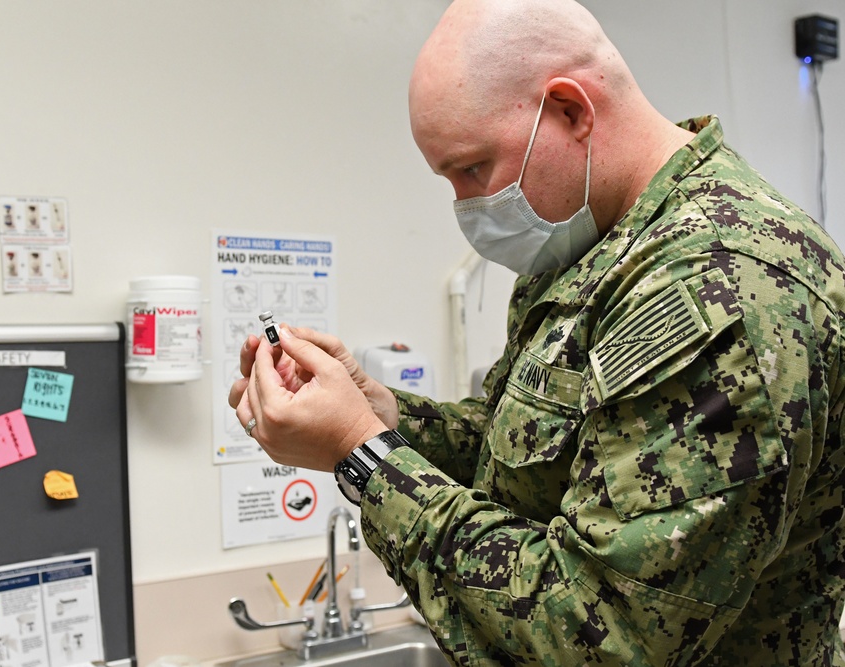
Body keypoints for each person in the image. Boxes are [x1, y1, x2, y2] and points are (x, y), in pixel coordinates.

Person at [229, 0, 845, 663]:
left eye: (472, 168)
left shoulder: (717, 290)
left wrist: (363, 453)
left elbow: (600, 635)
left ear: (572, 111)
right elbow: (519, 454)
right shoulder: (584, 244)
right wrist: (383, 413)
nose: (466, 206)